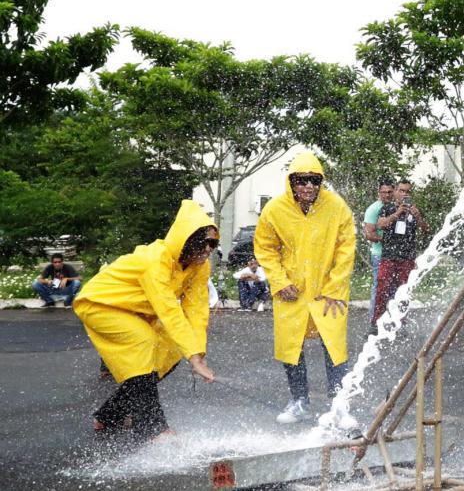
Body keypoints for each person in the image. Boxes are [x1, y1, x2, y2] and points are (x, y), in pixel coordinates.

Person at [73, 200, 218, 442]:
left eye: (213, 243)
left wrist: (197, 354)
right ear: (184, 240)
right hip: (100, 304)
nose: (208, 249)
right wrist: (193, 355)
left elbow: (197, 310)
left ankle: (109, 415)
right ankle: (152, 427)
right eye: (203, 242)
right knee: (144, 342)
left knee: (169, 352)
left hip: (136, 311)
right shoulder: (155, 260)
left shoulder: (199, 267)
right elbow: (169, 310)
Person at [254, 152, 356, 424]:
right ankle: (299, 401)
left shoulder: (337, 207)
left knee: (333, 344)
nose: (309, 186)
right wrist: (279, 281)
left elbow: (346, 249)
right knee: (291, 344)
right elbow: (265, 247)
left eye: (314, 180)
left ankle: (338, 405)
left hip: (328, 292)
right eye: (302, 181)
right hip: (291, 291)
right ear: (291, 182)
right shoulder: (275, 210)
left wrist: (335, 287)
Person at [372, 178, 429, 332]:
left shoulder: (415, 210)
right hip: (389, 257)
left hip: (407, 258)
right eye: (401, 190)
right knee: (382, 290)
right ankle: (376, 323)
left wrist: (417, 217)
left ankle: (399, 323)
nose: (404, 194)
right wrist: (398, 213)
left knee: (403, 292)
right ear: (396, 191)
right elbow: (380, 225)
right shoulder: (388, 208)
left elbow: (426, 229)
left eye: (407, 191)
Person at [363, 179, 395, 323]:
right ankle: (374, 322)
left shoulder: (397, 207)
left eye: (389, 192)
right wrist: (386, 241)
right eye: (384, 192)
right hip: (380, 255)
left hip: (396, 256)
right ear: (379, 192)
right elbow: (369, 234)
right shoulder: (374, 209)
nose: (387, 195)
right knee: (379, 290)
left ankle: (393, 322)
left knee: (396, 290)